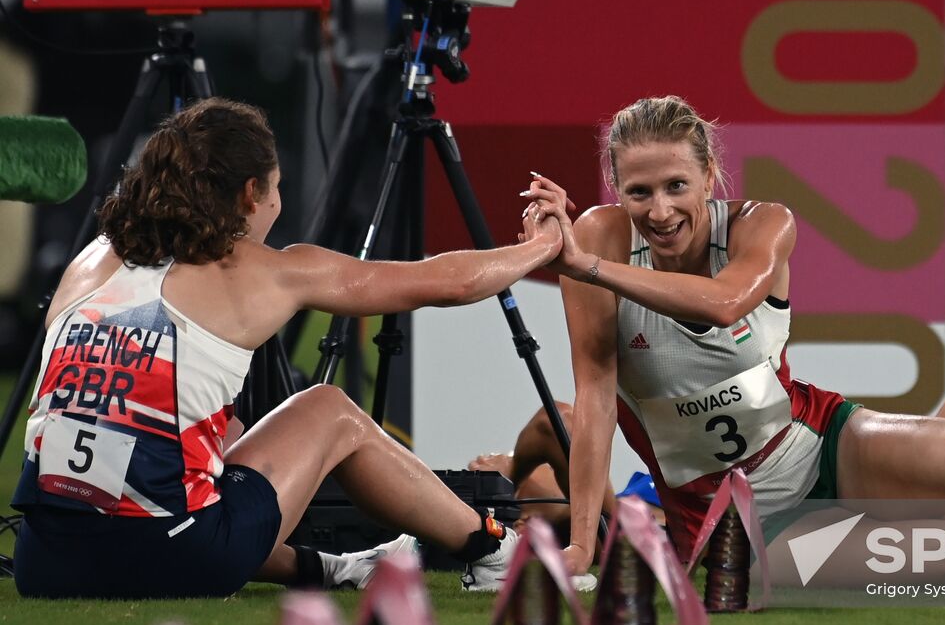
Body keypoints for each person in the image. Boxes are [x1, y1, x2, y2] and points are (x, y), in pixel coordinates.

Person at [519, 96, 945, 591]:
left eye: (677, 185)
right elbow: (597, 399)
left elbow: (726, 302)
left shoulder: (761, 223)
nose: (661, 210)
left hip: (822, 442)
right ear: (615, 189)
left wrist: (583, 265)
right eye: (640, 192)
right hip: (745, 528)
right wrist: (583, 543)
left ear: (711, 176)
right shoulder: (605, 242)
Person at [10, 98, 576, 599]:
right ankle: (493, 552)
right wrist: (544, 245)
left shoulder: (91, 259)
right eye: (276, 190)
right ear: (250, 194)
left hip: (45, 562)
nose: (277, 207)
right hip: (177, 555)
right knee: (328, 408)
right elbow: (447, 282)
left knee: (211, 438)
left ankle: (335, 569)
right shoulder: (265, 272)